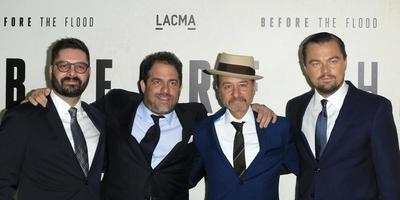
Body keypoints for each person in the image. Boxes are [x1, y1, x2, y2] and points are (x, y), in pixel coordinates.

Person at [25, 51, 276, 200]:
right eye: (157, 82)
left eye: (173, 83)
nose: (165, 91)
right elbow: (74, 114)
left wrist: (255, 109)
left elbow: (233, 115)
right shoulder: (116, 104)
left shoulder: (196, 117)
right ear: (143, 85)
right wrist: (43, 96)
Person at [286, 32, 400, 200]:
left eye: (333, 61)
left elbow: (391, 182)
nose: (325, 71)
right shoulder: (295, 107)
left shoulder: (375, 108)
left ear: (345, 61)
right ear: (305, 67)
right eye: (316, 63)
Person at [0, 38, 106, 200]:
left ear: (89, 72)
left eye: (80, 67)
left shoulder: (98, 119)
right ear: (51, 71)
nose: (72, 73)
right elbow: (2, 181)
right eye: (64, 66)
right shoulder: (23, 117)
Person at [190, 52, 299, 200]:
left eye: (242, 85)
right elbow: (187, 178)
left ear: (254, 87)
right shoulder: (203, 130)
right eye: (228, 86)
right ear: (218, 89)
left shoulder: (278, 128)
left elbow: (307, 169)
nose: (236, 94)